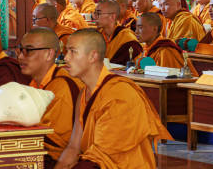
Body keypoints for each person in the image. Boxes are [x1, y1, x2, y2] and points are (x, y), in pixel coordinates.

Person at [56, 29, 171, 168]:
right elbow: (73, 147)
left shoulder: (120, 94)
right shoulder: (84, 93)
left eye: (73, 51)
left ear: (92, 56)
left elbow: (103, 155)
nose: (66, 57)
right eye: (67, 51)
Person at [17, 28, 82, 167]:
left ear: (49, 54)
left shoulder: (61, 86)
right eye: (20, 50)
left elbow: (54, 142)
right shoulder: (36, 83)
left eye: (28, 50)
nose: (21, 57)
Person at [95, 0, 142, 65]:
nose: (95, 17)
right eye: (94, 13)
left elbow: (136, 67)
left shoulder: (127, 39)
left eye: (98, 14)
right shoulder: (96, 35)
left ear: (112, 17)